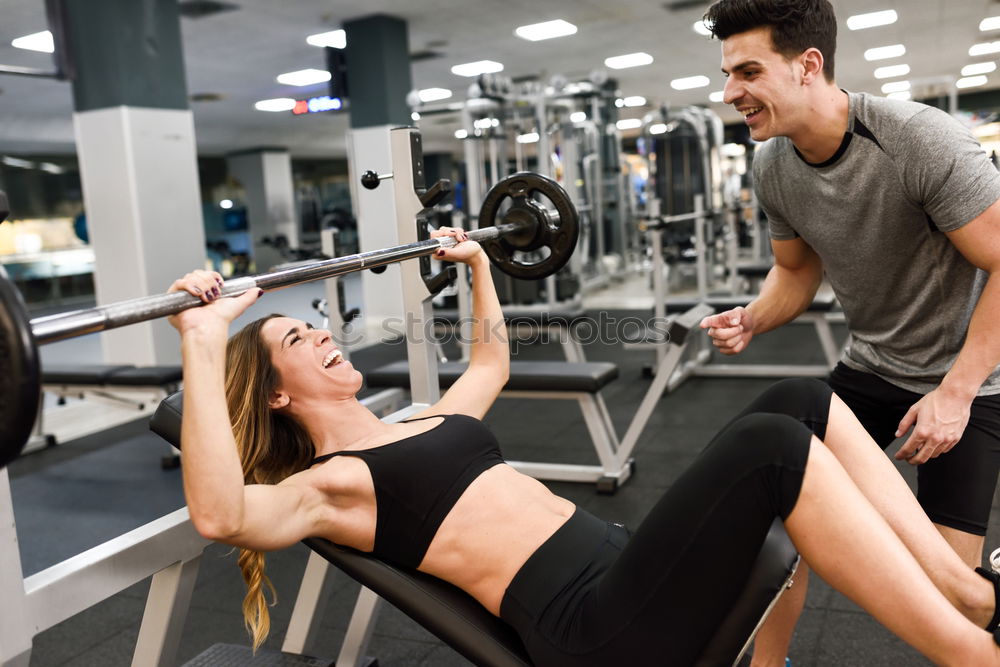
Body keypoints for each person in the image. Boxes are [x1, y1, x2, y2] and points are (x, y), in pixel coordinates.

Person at [167, 228, 1000, 666]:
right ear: (278, 393)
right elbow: (220, 511)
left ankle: (968, 597)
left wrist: (480, 266)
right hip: (597, 629)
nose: (322, 334)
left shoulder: (417, 423)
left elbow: (490, 358)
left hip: (628, 569)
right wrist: (203, 340)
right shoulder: (336, 484)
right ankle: (973, 650)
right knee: (775, 447)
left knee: (803, 397)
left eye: (316, 324)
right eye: (296, 339)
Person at [698, 0, 1000, 663]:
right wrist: (752, 317)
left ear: (808, 65)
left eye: (747, 71)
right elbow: (795, 274)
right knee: (779, 530)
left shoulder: (919, 139)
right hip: (871, 366)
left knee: (949, 598)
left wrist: (956, 393)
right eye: (726, 73)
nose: (729, 94)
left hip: (970, 380)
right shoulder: (773, 165)